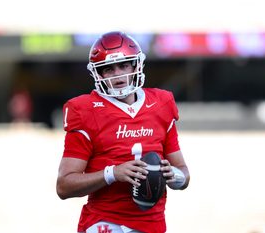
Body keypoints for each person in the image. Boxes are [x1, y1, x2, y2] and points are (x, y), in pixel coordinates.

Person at [56, 31, 190, 233]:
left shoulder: (161, 103)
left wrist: (175, 176)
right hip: (104, 221)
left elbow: (184, 173)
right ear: (98, 73)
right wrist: (112, 173)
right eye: (108, 69)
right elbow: (64, 186)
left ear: (136, 65)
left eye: (124, 65)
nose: (118, 74)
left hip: (151, 224)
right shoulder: (84, 110)